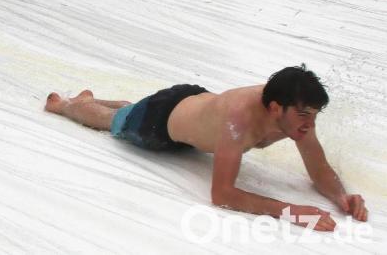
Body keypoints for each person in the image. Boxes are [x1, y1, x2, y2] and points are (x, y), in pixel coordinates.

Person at [45, 65, 368, 232]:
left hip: (192, 104)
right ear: (274, 108)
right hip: (160, 124)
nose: (310, 124)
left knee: (133, 110)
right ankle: (68, 105)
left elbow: (319, 168)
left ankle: (103, 102)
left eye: (313, 115)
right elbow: (222, 194)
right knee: (114, 121)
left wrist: (342, 197)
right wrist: (291, 211)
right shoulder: (239, 120)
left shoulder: (295, 118)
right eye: (304, 115)